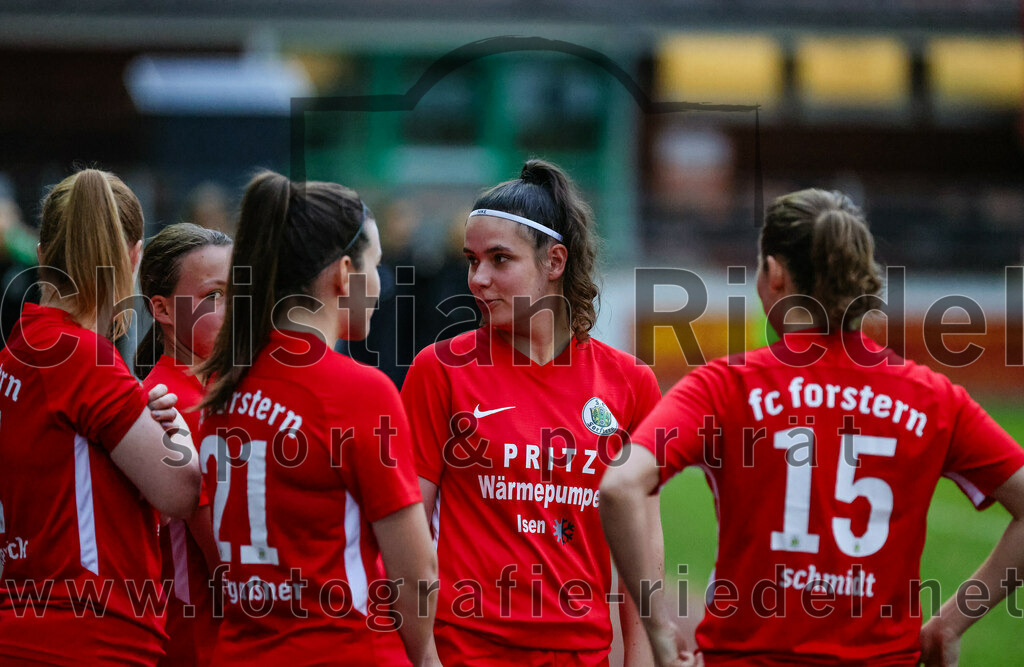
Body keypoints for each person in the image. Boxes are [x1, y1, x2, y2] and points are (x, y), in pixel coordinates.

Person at [600, 189, 1024, 666]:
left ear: (775, 273)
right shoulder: (934, 397)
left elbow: (619, 485)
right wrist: (950, 621)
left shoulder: (725, 386)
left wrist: (658, 630)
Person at [401, 159, 663, 665]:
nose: (478, 278)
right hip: (464, 651)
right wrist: (425, 656)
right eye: (471, 259)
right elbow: (406, 534)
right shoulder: (441, 370)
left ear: (555, 261)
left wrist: (640, 656)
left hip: (578, 654)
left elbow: (644, 551)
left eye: (500, 259)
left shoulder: (630, 385)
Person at [197, 170, 437, 665]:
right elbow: (415, 574)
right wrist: (427, 656)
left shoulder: (223, 383)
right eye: (376, 265)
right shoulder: (359, 391)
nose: (380, 283)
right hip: (343, 648)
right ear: (344, 273)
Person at [0, 168, 201, 664]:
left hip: (32, 625)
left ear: (42, 254)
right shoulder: (82, 359)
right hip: (91, 633)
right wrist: (177, 429)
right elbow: (180, 491)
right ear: (133, 258)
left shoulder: (18, 352)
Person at [135, 222, 233, 666]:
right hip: (200, 647)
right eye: (213, 296)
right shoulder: (165, 407)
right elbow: (228, 567)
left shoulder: (236, 394)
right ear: (162, 309)